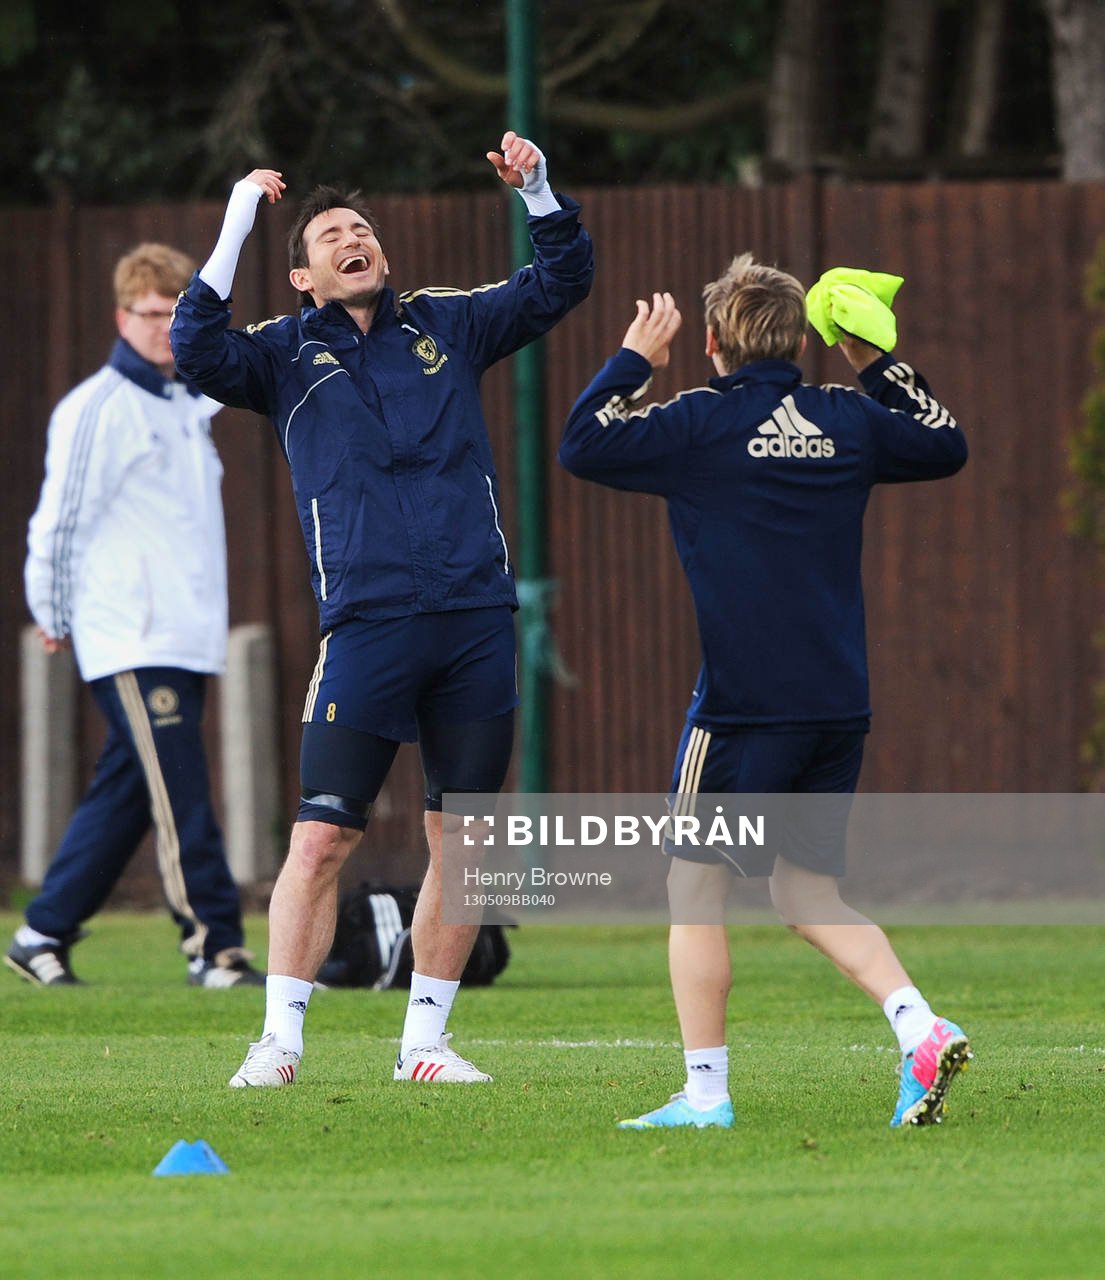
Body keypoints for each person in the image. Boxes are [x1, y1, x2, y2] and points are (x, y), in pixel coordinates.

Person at [171, 131, 593, 1087]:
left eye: (362, 229)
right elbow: (194, 343)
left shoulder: (446, 323)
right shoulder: (279, 356)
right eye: (328, 234)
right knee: (321, 837)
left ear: (384, 256)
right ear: (302, 276)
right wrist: (241, 213)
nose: (351, 239)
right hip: (366, 624)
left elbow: (559, 281)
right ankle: (278, 1042)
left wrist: (537, 190)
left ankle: (425, 1047)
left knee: (465, 839)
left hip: (475, 617)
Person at [557, 256, 971, 1129]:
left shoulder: (697, 421)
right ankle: (918, 1026)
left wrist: (634, 359)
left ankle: (704, 1097)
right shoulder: (847, 416)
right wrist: (868, 357)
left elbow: (582, 442)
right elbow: (944, 442)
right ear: (798, 337)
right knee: (803, 894)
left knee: (693, 893)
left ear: (710, 341)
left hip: (743, 710)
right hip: (836, 701)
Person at [8, 243, 263, 989]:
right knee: (181, 789)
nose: (162, 330)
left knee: (127, 792)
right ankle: (214, 948)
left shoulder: (188, 403)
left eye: (173, 316)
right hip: (127, 636)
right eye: (150, 316)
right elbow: (56, 522)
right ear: (123, 317)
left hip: (187, 637)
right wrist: (50, 609)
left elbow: (233, 354)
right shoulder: (95, 408)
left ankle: (39, 933)